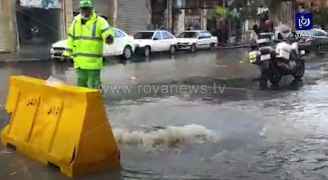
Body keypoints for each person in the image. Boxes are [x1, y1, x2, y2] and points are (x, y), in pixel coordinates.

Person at [64, 0, 114, 89]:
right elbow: (71, 39)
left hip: (93, 64)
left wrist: (108, 37)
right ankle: (82, 102)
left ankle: (96, 101)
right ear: (80, 10)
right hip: (79, 64)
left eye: (88, 9)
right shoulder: (75, 22)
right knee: (81, 88)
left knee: (93, 87)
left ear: (92, 9)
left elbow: (107, 32)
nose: (86, 12)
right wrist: (67, 54)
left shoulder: (100, 21)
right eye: (83, 9)